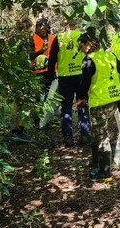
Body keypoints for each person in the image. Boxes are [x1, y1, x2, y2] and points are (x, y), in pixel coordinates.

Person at [77, 28, 120, 182]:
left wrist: (81, 98)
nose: (80, 51)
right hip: (115, 100)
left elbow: (84, 82)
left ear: (88, 44)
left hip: (100, 103)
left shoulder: (89, 60)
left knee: (101, 136)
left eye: (81, 47)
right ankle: (95, 162)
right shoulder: (110, 55)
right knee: (98, 132)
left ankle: (105, 172)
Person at [47, 19, 91, 147]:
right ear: (76, 25)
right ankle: (84, 134)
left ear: (65, 25)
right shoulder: (82, 36)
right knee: (82, 102)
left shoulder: (59, 38)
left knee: (66, 106)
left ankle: (68, 137)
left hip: (65, 76)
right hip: (81, 75)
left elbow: (52, 58)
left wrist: (50, 76)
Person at [7, 18, 35, 142]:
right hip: (21, 74)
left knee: (23, 103)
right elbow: (21, 57)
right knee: (21, 104)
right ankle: (16, 131)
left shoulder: (14, 38)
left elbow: (30, 55)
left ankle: (18, 131)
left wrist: (41, 51)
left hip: (19, 73)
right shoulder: (20, 39)